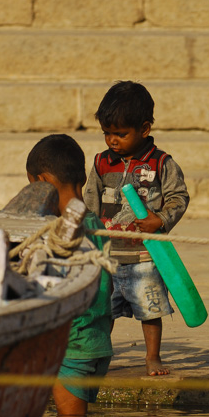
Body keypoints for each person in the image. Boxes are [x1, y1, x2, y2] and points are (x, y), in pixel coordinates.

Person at [83, 81, 189, 376]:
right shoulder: (102, 162)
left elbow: (178, 197)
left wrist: (162, 220)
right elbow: (90, 199)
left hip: (145, 253)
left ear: (144, 128)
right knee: (104, 311)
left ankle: (152, 356)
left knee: (151, 309)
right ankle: (99, 353)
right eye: (107, 133)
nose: (112, 141)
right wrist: (89, 232)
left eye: (120, 134)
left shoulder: (160, 162)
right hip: (108, 253)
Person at [26, 134, 113, 416]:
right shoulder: (95, 223)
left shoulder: (61, 232)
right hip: (97, 342)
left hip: (71, 346)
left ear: (41, 183)